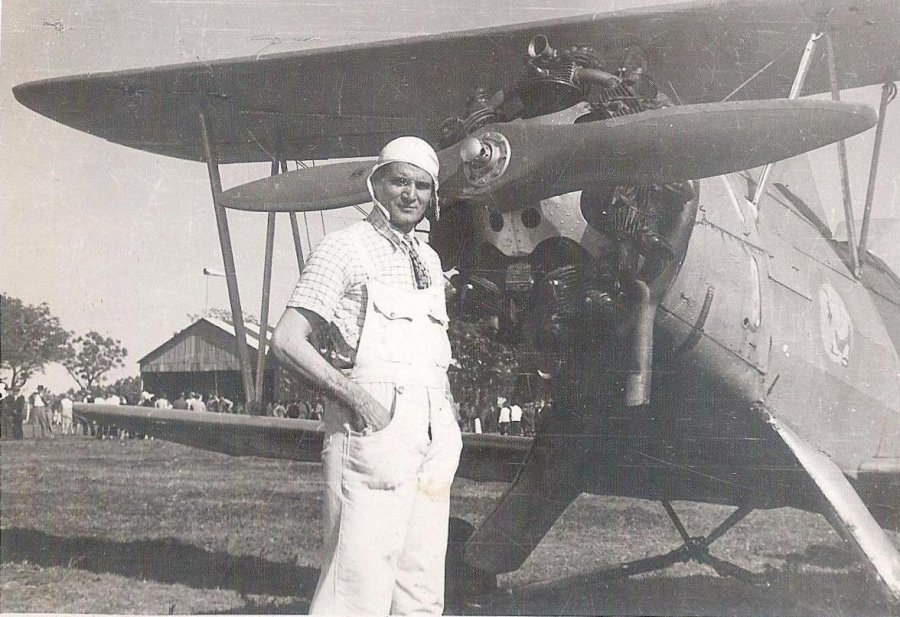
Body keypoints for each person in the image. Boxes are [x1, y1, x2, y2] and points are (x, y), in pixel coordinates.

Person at [271, 136, 462, 615]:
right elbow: (288, 340)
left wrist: (448, 413)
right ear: (376, 184)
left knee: (421, 585)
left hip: (434, 432)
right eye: (399, 181)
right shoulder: (344, 248)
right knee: (356, 583)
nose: (410, 194)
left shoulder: (430, 261)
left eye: (422, 186)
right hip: (374, 429)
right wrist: (359, 401)